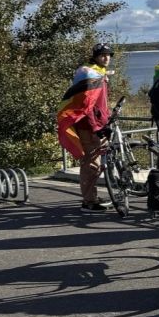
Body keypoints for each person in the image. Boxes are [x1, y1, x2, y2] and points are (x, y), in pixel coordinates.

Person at [57, 42, 112, 213]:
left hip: (99, 124)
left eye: (109, 55)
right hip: (89, 126)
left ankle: (91, 196)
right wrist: (95, 127)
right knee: (91, 164)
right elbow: (85, 106)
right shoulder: (89, 74)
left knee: (95, 163)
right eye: (102, 55)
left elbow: (99, 103)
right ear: (95, 56)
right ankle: (89, 202)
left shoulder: (99, 74)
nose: (106, 58)